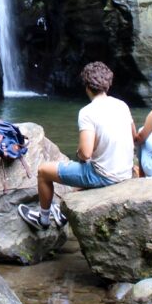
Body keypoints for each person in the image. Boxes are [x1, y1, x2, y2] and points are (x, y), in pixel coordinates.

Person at [18, 61, 136, 230]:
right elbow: (133, 136)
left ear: (87, 87)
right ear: (108, 85)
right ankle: (61, 213)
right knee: (76, 179)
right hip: (124, 172)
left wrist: (80, 154)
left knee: (44, 171)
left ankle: (43, 219)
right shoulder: (121, 105)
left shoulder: (87, 112)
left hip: (105, 176)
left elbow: (86, 153)